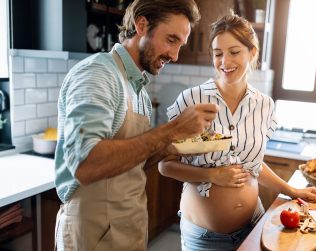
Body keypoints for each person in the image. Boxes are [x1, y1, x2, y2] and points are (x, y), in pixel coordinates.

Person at [53, 1, 219, 250]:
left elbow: (132, 160)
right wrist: (172, 129)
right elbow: (85, 164)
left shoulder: (137, 86)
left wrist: (176, 147)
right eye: (171, 40)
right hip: (92, 230)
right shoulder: (98, 74)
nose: (174, 56)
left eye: (180, 46)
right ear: (142, 25)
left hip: (127, 227)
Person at [159, 12, 316, 251]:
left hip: (254, 226)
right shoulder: (192, 99)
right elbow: (165, 165)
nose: (225, 62)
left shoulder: (264, 105)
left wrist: (292, 190)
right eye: (218, 54)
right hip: (204, 238)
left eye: (234, 52)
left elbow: (253, 165)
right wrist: (212, 175)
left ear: (252, 52)